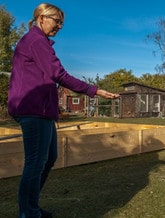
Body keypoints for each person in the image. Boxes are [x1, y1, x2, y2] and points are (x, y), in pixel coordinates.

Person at [8, 3, 119, 218]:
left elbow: (50, 75)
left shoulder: (40, 42)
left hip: (43, 110)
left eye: (61, 23)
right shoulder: (35, 40)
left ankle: (31, 207)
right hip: (33, 109)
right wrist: (94, 90)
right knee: (35, 161)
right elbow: (59, 74)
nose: (59, 26)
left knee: (49, 157)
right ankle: (28, 212)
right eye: (56, 21)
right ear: (41, 18)